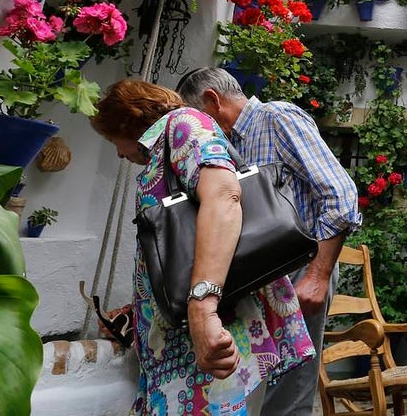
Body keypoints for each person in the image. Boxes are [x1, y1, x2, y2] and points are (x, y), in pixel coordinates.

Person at [89, 78, 316, 416]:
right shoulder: (168, 147)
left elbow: (224, 197)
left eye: (113, 140)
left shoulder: (185, 124)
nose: (119, 153)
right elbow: (183, 248)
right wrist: (139, 312)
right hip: (184, 351)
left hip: (206, 347)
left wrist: (203, 309)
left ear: (127, 120)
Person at [176, 67, 362, 416]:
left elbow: (341, 195)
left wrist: (318, 275)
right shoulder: (227, 145)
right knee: (254, 387)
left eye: (198, 117)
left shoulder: (277, 117)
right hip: (265, 279)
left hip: (300, 271)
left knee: (289, 392)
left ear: (212, 101)